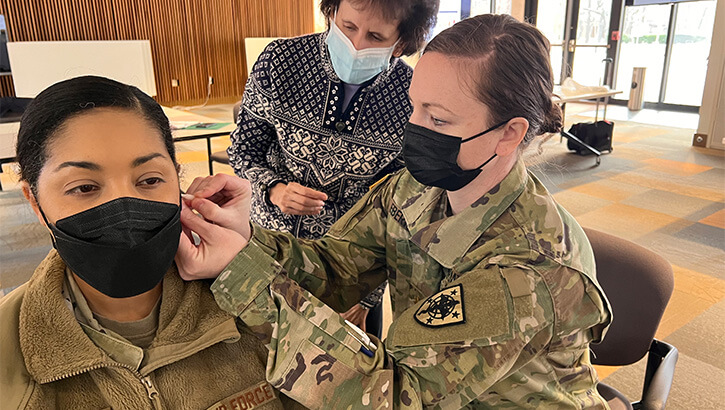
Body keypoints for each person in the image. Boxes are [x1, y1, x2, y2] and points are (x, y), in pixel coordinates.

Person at [178, 14, 613, 409]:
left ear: (509, 134)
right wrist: (244, 239)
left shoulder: (529, 269)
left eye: (438, 120)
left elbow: (398, 395)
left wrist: (243, 276)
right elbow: (333, 267)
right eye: (413, 107)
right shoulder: (415, 189)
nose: (415, 129)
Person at [0, 76, 305, 409]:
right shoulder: (8, 349)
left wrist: (247, 263)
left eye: (149, 179)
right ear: (35, 201)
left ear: (178, 181)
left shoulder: (258, 304)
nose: (124, 205)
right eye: (84, 187)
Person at [228, 0, 439, 335]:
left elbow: (401, 201)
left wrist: (369, 294)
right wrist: (273, 189)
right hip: (270, 250)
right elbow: (242, 152)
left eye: (375, 36)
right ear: (332, 12)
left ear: (401, 43)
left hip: (353, 270)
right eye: (348, 27)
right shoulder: (281, 62)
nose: (356, 46)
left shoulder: (409, 96)